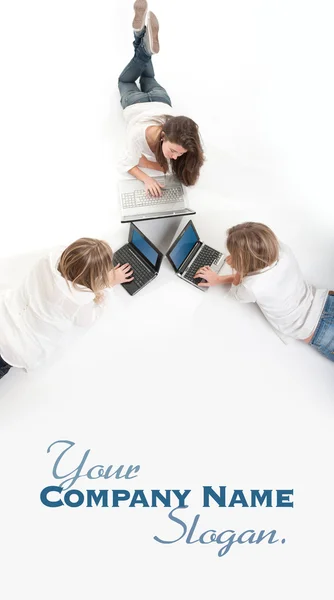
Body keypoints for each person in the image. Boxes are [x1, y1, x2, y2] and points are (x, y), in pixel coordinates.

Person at [194, 222, 333, 362]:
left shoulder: (251, 287)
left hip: (318, 329)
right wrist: (241, 262)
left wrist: (231, 272)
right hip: (325, 300)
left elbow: (235, 294)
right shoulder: (283, 250)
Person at [0, 238, 133, 379]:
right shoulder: (80, 302)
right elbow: (86, 321)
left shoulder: (47, 261)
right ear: (94, 277)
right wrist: (108, 284)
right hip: (15, 347)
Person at [118, 0, 204, 197]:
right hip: (134, 102)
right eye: (174, 151)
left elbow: (177, 167)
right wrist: (147, 176)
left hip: (160, 100)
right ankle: (144, 44)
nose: (175, 157)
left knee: (148, 76)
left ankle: (140, 35)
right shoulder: (139, 135)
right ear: (163, 135)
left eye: (179, 154)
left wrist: (150, 163)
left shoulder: (179, 135)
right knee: (123, 80)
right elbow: (126, 165)